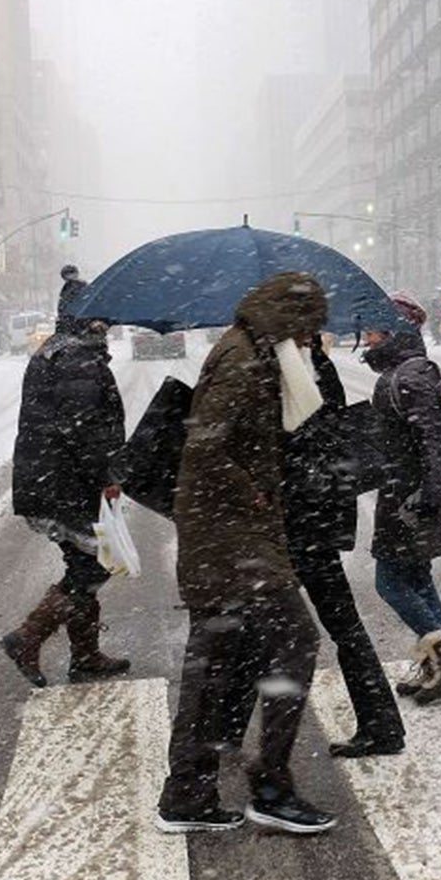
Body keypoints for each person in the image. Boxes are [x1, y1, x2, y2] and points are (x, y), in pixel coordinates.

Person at [157, 272, 337, 835]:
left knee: (212, 666)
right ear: (289, 319)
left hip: (223, 535)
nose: (312, 342)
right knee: (294, 641)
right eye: (309, 330)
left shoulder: (255, 350)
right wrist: (253, 492)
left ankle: (187, 793)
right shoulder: (243, 359)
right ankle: (271, 786)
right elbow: (206, 445)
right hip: (231, 539)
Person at [1, 267, 130, 686]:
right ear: (86, 317)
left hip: (53, 482)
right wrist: (108, 477)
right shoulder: (78, 359)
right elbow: (84, 431)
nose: (106, 324)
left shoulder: (59, 351)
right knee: (92, 567)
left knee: (86, 561)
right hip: (67, 486)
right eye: (100, 316)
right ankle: (28, 636)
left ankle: (86, 654)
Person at [285, 336, 406, 758]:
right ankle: (382, 722)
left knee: (262, 629)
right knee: (341, 625)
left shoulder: (299, 370)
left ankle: (225, 734)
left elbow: (303, 441)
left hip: (300, 518)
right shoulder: (311, 364)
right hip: (313, 516)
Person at [363, 293, 441, 705]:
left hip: (410, 496)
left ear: (395, 331)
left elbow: (430, 438)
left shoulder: (410, 374)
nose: (368, 338)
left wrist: (427, 491)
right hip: (408, 490)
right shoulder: (401, 371)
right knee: (417, 579)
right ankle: (437, 670)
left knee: (390, 582)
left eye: (375, 329)